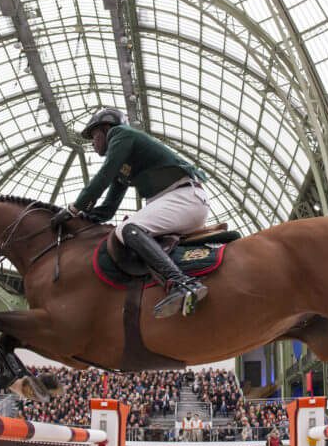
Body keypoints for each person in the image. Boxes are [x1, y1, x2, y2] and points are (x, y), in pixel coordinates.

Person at [51, 108, 210, 318]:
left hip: (184, 197)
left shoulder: (121, 134)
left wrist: (73, 209)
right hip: (179, 201)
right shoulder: (124, 165)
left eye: (94, 135)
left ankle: (181, 283)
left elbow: (103, 176)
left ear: (106, 128)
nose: (93, 143)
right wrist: (79, 221)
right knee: (124, 229)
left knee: (129, 229)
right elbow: (108, 209)